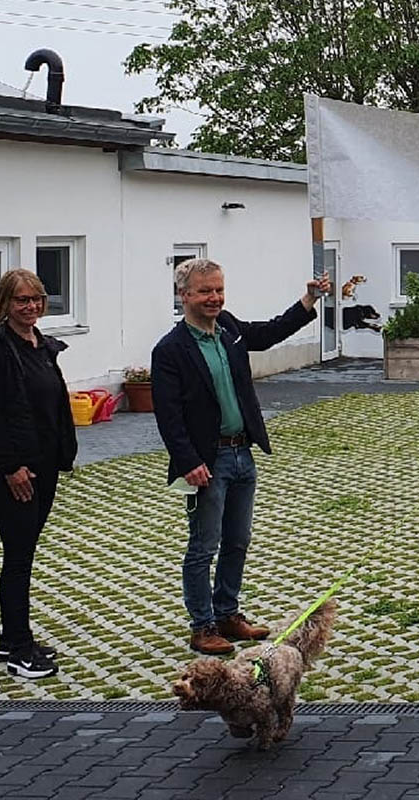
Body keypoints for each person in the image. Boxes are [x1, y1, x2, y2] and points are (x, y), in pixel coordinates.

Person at [152, 259, 330, 654]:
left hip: (241, 453)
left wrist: (308, 299)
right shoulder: (170, 350)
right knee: (204, 545)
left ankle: (228, 614)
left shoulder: (228, 328)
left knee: (238, 541)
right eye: (205, 291)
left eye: (218, 290)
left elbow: (267, 334)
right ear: (184, 296)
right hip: (206, 462)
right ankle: (202, 626)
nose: (214, 298)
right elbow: (168, 415)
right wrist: (188, 462)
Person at [0, 269, 77, 679]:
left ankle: (11, 638)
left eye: (36, 298)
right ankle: (18, 649)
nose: (30, 306)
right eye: (21, 300)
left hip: (44, 466)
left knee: (25, 554)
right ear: (5, 304)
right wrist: (11, 467)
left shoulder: (41, 346)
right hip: (13, 474)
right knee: (17, 559)